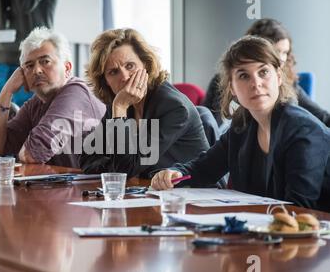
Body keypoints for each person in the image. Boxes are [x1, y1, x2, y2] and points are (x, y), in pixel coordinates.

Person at [151, 36, 330, 212]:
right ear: (232, 87)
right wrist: (176, 173)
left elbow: (298, 210)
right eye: (244, 75)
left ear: (278, 76)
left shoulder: (303, 130)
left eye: (263, 72)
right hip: (264, 230)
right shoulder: (242, 125)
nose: (256, 83)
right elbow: (204, 168)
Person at [80, 28, 209, 178]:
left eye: (130, 66)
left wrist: (120, 109)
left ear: (146, 65)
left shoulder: (172, 107)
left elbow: (126, 169)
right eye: (113, 72)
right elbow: (87, 160)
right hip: (153, 192)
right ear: (106, 82)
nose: (125, 77)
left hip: (195, 193)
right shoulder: (120, 103)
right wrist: (116, 165)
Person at [0, 27, 105, 168]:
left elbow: (32, 154)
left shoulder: (76, 93)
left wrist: (18, 155)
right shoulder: (35, 104)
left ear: (67, 68)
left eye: (45, 61)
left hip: (96, 188)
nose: (37, 70)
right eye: (29, 65)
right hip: (59, 188)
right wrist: (7, 91)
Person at [203, 18, 330, 127]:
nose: (280, 58)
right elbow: (207, 123)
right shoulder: (220, 81)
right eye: (275, 51)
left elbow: (322, 118)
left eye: (284, 52)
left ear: (279, 78)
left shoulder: (289, 88)